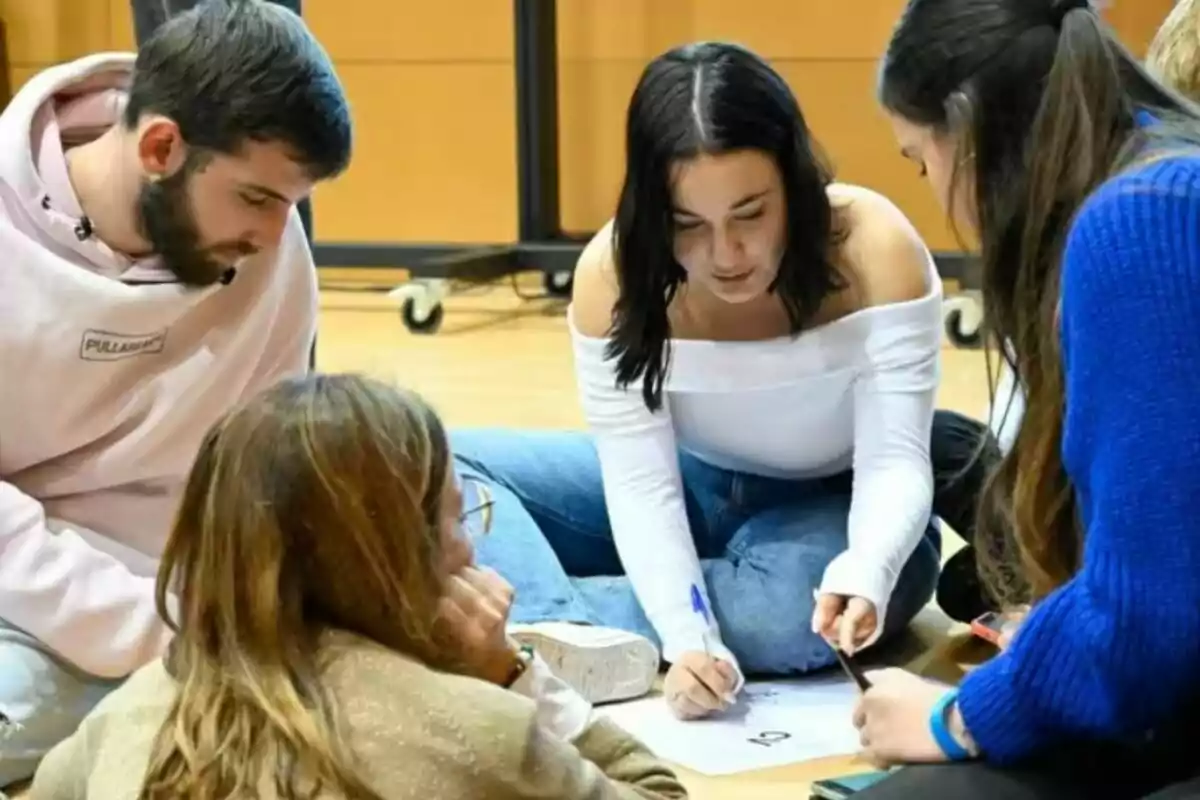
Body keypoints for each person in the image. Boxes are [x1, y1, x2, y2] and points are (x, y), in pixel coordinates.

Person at [455, 40, 997, 721]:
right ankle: (568, 626)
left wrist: (869, 568)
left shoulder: (872, 247)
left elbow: (893, 459)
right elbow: (642, 485)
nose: (725, 254)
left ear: (794, 183)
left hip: (831, 506)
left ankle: (507, 613)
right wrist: (688, 638)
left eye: (750, 214)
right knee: (432, 461)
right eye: (687, 224)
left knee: (792, 614)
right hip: (689, 482)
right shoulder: (612, 274)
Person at [28, 374, 690, 800]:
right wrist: (512, 673)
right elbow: (654, 791)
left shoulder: (131, 713)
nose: (471, 546)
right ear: (395, 551)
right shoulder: (478, 731)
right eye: (458, 518)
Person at [849, 1, 1200, 797]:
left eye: (920, 161)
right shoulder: (1163, 169)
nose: (935, 192)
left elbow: (1148, 617)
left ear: (967, 128)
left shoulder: (1138, 220)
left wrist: (960, 716)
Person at [0, 0, 351, 788]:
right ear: (161, 147)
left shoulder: (267, 248)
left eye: (291, 203)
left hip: (194, 597)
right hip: (35, 592)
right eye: (257, 198)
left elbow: (270, 466)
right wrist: (171, 640)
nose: (274, 235)